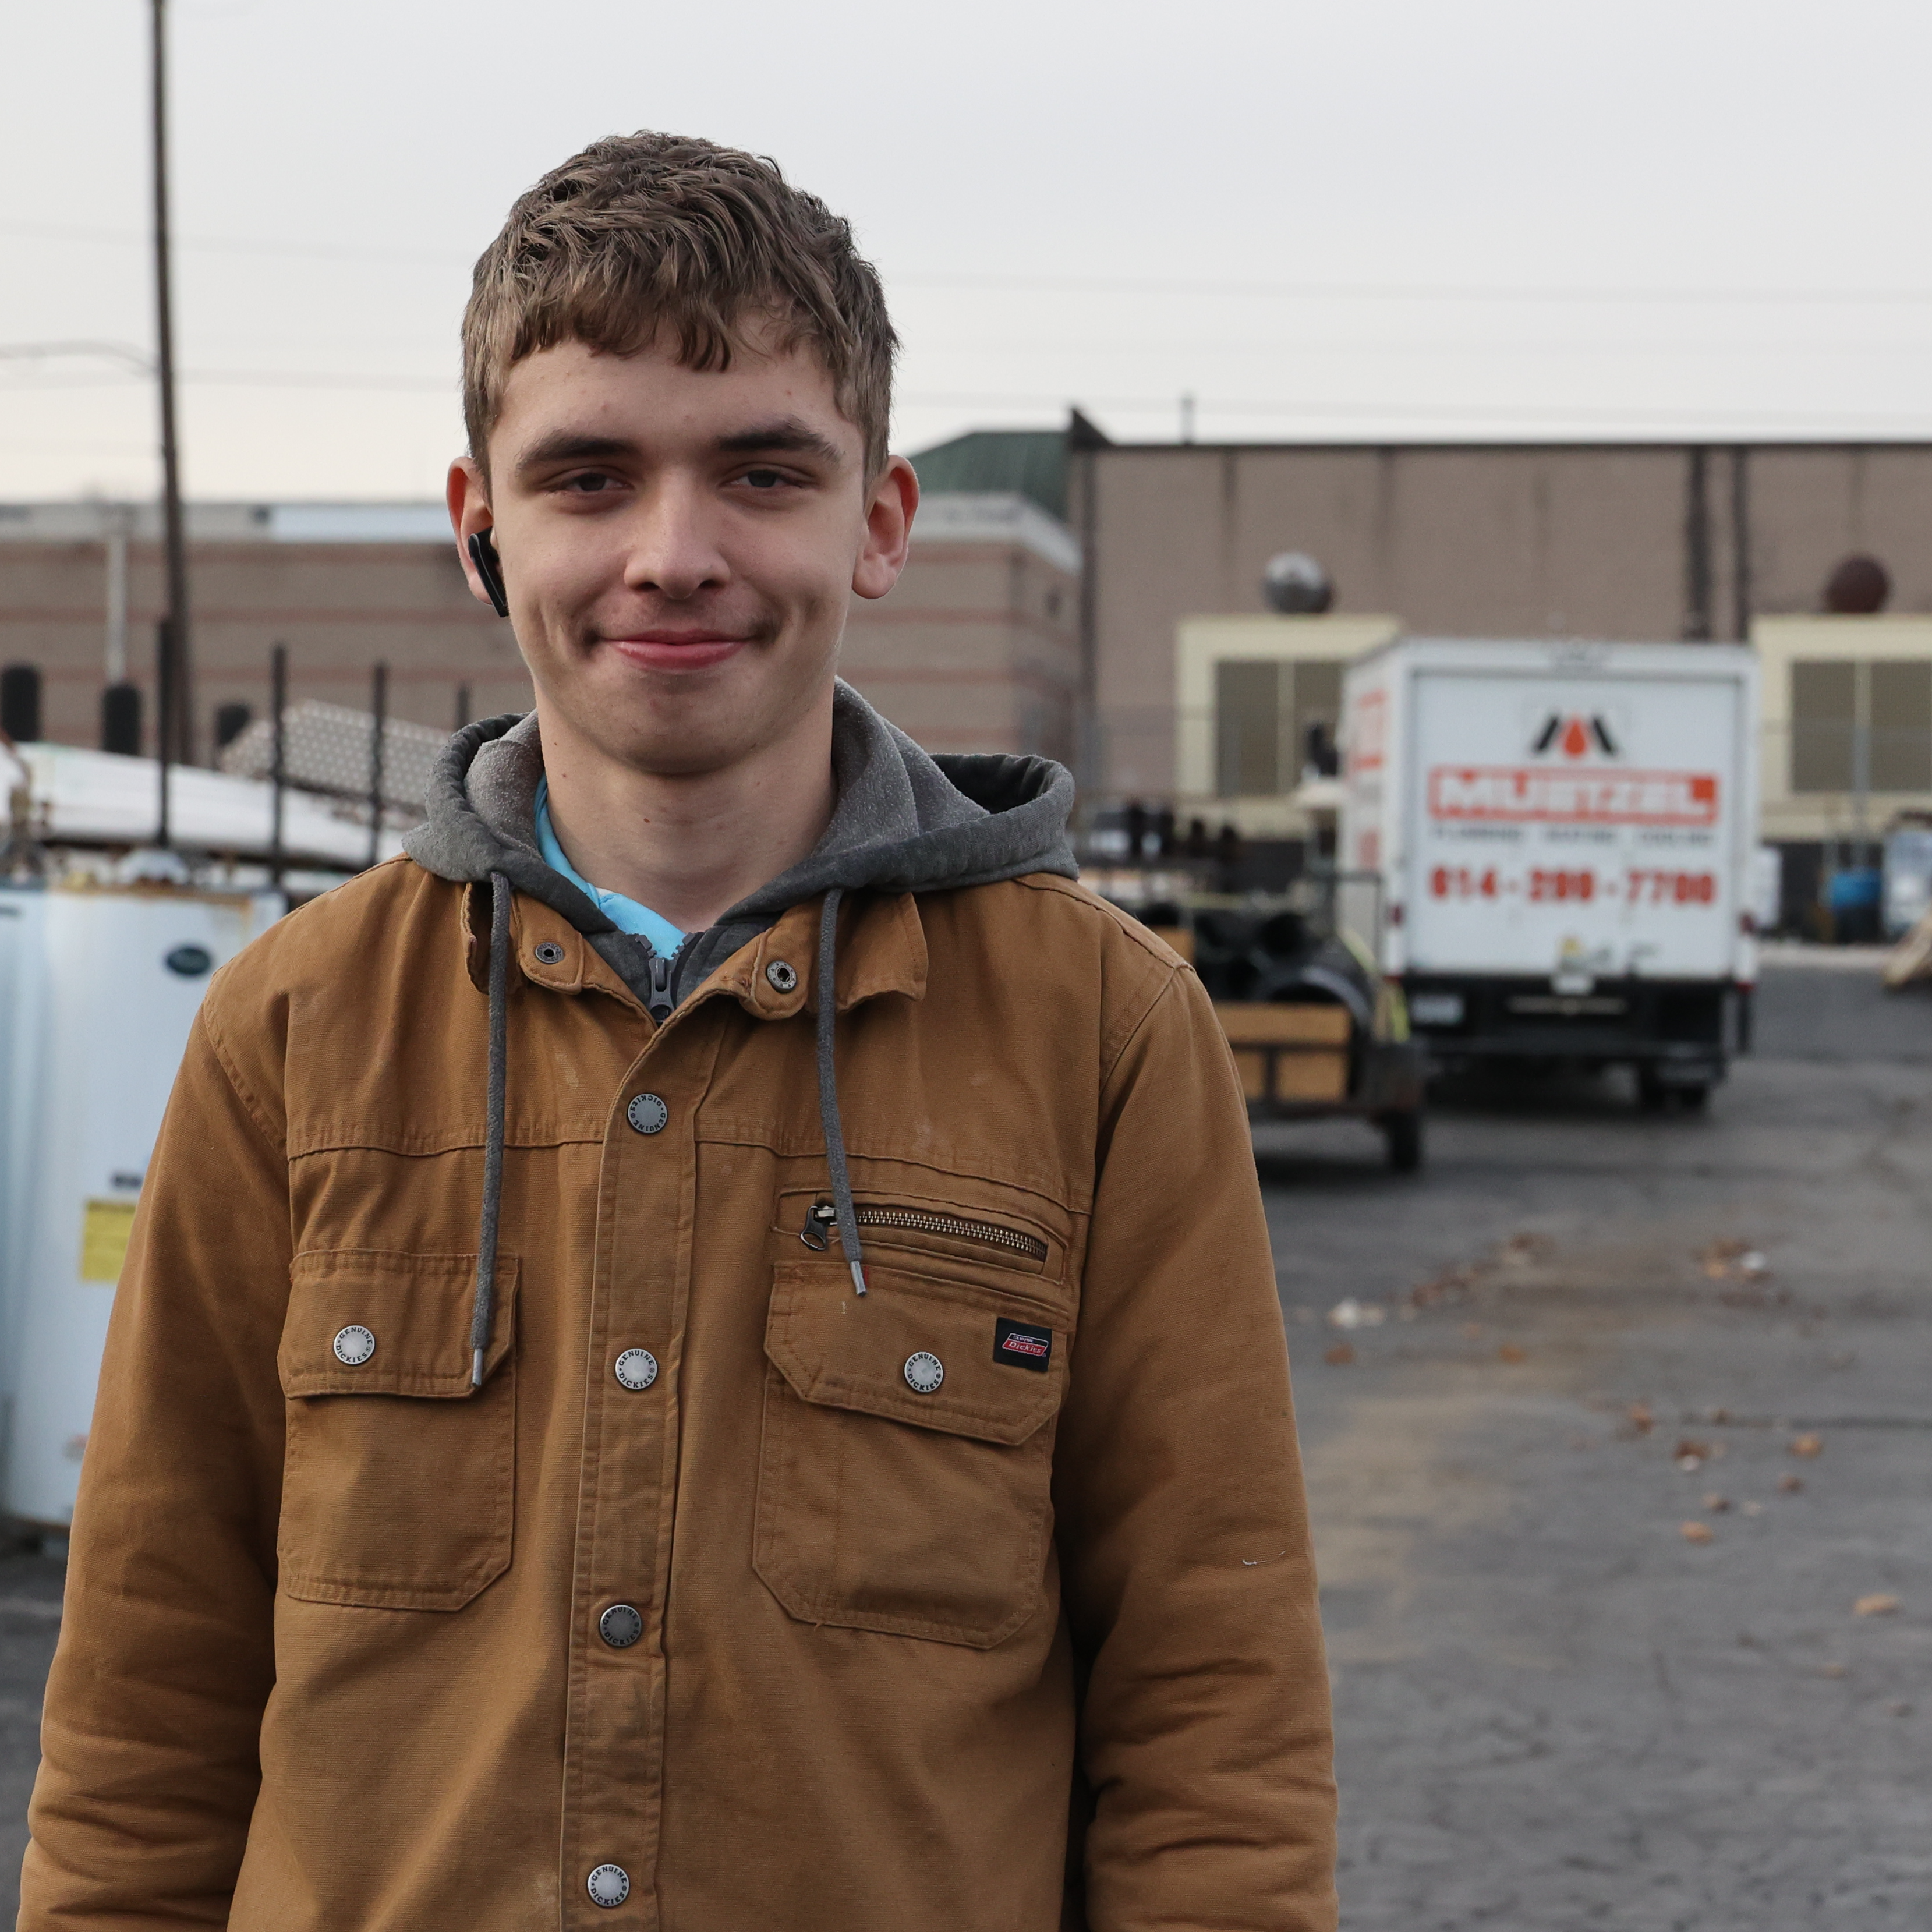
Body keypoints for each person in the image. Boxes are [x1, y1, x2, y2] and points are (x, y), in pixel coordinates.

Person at [20, 133, 1336, 1931]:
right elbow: (144, 1710)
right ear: (481, 530)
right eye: (587, 475)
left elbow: (1215, 1718)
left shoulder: (1106, 1035)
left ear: (878, 521)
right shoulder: (290, 1030)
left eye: (761, 471)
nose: (673, 552)